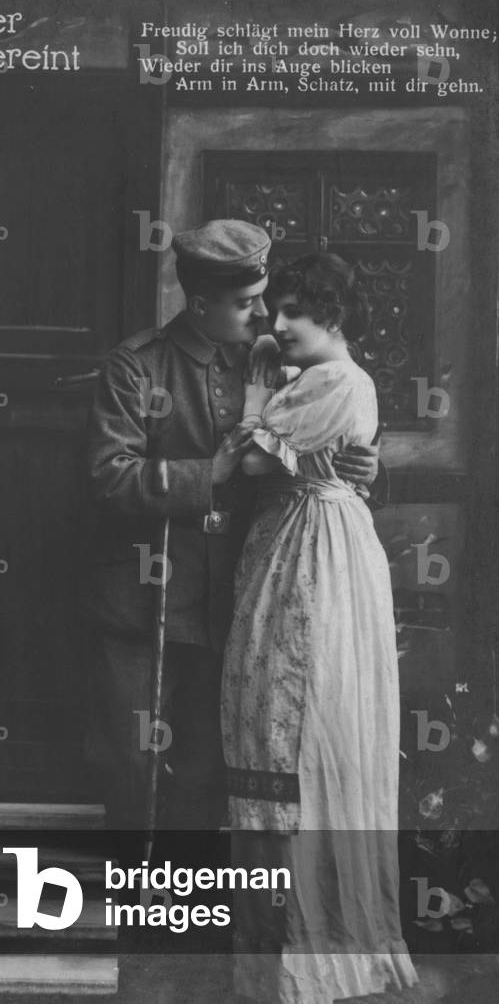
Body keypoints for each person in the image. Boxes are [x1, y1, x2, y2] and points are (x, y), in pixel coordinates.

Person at [84, 222, 380, 832]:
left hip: (243, 599)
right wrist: (206, 472)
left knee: (211, 768)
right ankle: (135, 915)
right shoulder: (138, 366)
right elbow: (109, 478)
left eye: (266, 301)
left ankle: (190, 915)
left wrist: (370, 459)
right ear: (199, 304)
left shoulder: (276, 358)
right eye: (248, 304)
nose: (264, 316)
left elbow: (327, 429)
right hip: (151, 598)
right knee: (134, 763)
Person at [221, 253, 419, 1002]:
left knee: (306, 725)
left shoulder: (338, 380)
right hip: (289, 538)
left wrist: (251, 393)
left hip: (316, 554)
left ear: (331, 315)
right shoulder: (313, 379)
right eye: (271, 309)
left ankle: (318, 956)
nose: (274, 324)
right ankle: (283, 955)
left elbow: (246, 465)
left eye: (291, 312)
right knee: (277, 731)